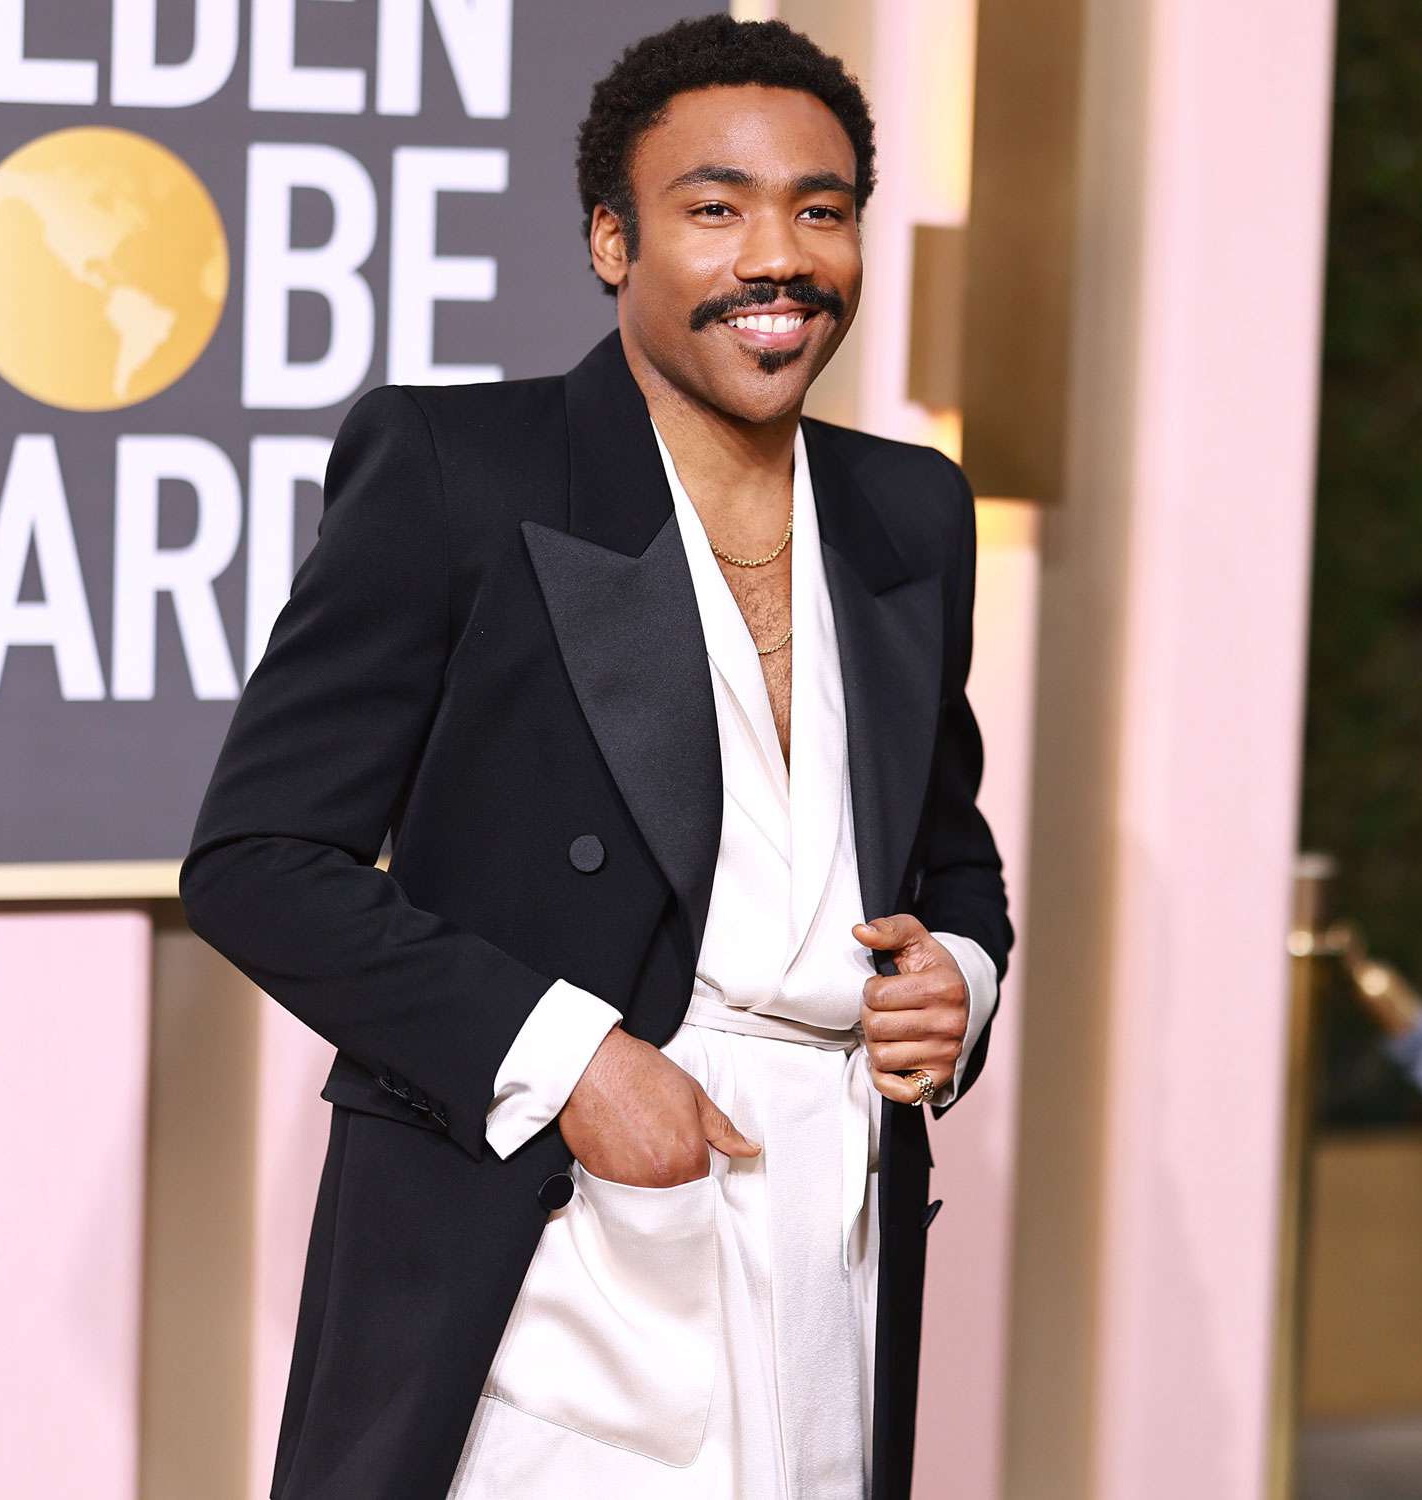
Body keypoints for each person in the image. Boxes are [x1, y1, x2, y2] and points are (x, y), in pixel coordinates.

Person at [179, 16, 1012, 1500]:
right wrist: (569, 1062)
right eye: (717, 208)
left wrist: (962, 969)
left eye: (820, 210)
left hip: (834, 1240)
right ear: (613, 242)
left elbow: (950, 850)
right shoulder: (458, 472)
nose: (779, 257)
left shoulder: (913, 512)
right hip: (553, 1235)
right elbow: (259, 863)